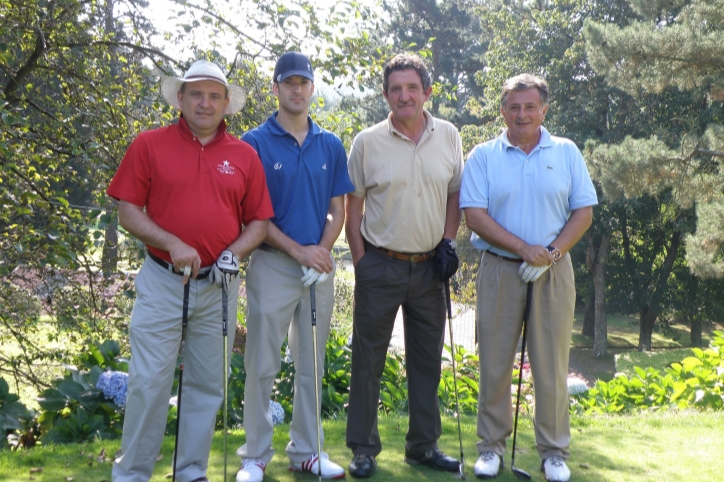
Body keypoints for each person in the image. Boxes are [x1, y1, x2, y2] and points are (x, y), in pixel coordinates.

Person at [107, 60, 274, 482]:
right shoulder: (149, 144)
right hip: (164, 280)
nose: (205, 103)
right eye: (196, 94)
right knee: (148, 383)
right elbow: (128, 210)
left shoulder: (244, 155)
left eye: (214, 96)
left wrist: (233, 252)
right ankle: (132, 475)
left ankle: (191, 472)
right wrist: (172, 242)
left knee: (207, 386)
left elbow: (258, 221)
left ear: (225, 105)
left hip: (218, 285)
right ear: (179, 99)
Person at [460, 74, 597, 482]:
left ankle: (553, 452)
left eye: (530, 106)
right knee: (496, 363)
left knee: (551, 365)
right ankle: (491, 449)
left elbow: (583, 212)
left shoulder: (567, 152)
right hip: (500, 268)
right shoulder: (484, 155)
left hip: (553, 270)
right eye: (513, 106)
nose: (522, 114)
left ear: (544, 109)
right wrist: (525, 249)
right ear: (502, 110)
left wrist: (550, 253)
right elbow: (475, 216)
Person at [233, 52, 354, 482]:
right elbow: (255, 219)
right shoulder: (254, 142)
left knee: (312, 365)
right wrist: (300, 253)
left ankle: (307, 450)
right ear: (276, 88)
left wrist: (320, 252)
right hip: (272, 265)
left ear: (312, 88)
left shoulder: (331, 144)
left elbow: (336, 210)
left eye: (304, 82)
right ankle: (255, 455)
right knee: (262, 363)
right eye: (289, 83)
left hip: (317, 268)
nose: (297, 89)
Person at [344, 53, 464, 478]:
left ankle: (423, 447)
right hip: (380, 263)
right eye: (395, 88)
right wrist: (361, 263)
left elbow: (454, 194)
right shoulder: (366, 141)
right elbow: (352, 208)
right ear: (385, 95)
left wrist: (448, 241)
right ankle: (362, 448)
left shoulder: (449, 135)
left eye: (412, 87)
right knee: (368, 361)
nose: (404, 95)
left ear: (427, 92)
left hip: (431, 268)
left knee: (427, 362)